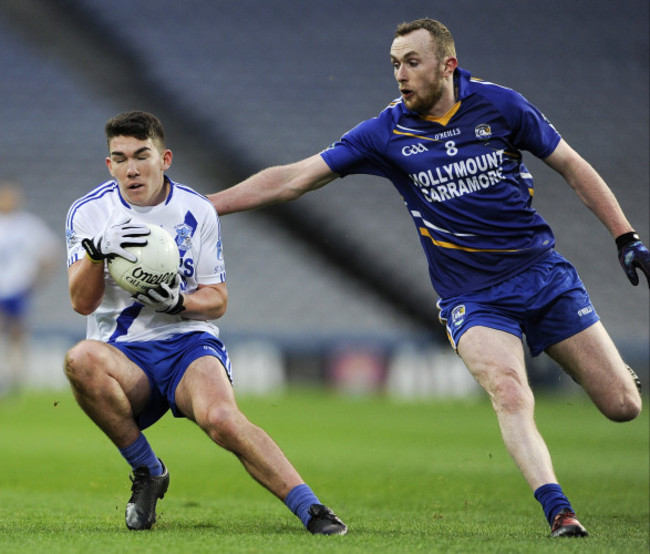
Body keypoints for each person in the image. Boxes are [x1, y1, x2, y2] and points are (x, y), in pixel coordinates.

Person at [208, 19, 649, 538]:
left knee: (623, 406)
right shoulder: (385, 132)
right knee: (510, 391)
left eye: (412, 62)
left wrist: (625, 237)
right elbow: (292, 180)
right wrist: (201, 207)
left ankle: (603, 370)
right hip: (472, 297)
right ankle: (560, 511)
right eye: (395, 64)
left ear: (447, 65)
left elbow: (573, 166)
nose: (400, 74)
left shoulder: (502, 106)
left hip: (543, 275)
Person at [63, 111, 347, 535]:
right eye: (119, 158)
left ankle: (311, 509)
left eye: (142, 155)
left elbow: (217, 301)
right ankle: (148, 471)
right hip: (122, 353)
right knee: (79, 359)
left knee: (222, 419)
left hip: (186, 343)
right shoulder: (89, 213)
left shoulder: (197, 210)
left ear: (166, 159)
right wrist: (96, 251)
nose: (132, 169)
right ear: (109, 165)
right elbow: (82, 304)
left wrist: (179, 303)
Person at [0, 181, 58, 394]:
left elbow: (50, 253)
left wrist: (36, 281)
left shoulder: (27, 225)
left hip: (17, 289)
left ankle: (14, 379)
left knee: (17, 335)